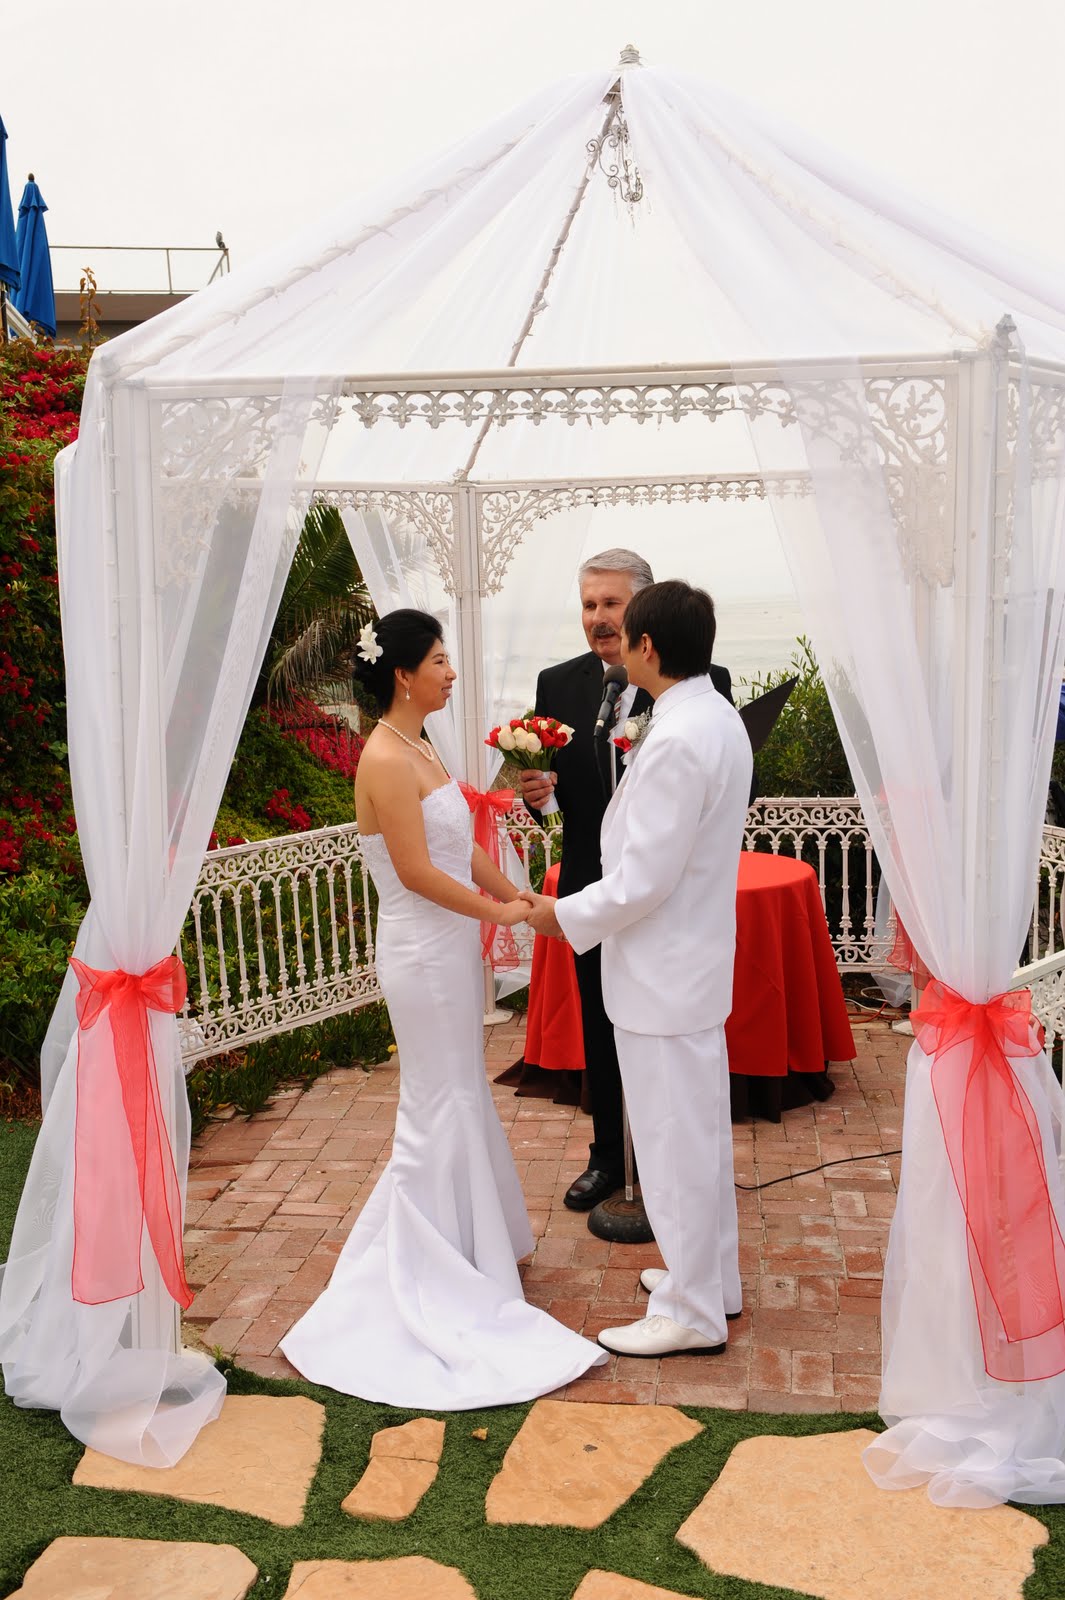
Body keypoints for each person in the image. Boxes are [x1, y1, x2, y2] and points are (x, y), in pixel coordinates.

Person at [280, 609, 606, 1404]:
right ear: (401, 673)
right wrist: (498, 918)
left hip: (451, 950)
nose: (451, 671)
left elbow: (458, 850)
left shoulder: (420, 745)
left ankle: (467, 1248)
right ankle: (430, 1265)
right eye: (438, 659)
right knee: (437, 1099)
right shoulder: (384, 758)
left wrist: (517, 893)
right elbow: (417, 872)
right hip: (422, 955)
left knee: (460, 1089)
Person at [521, 581, 752, 1357]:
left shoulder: (682, 736)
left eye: (626, 635)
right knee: (692, 1133)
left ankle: (692, 1310)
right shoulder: (711, 717)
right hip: (685, 963)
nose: (613, 642)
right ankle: (709, 1277)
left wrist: (564, 913)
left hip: (663, 968)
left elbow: (645, 877)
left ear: (648, 647)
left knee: (670, 1137)